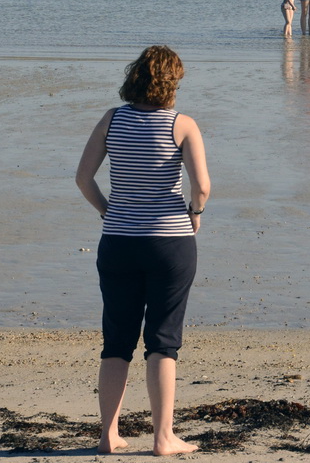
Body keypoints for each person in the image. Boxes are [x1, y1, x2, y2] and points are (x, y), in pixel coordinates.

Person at [75, 45, 210, 457]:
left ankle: (108, 436)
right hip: (170, 243)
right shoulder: (182, 124)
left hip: (118, 242)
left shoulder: (111, 120)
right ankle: (163, 438)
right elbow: (202, 187)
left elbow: (83, 178)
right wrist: (195, 212)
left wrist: (107, 211)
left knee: (116, 340)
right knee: (162, 341)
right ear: (172, 83)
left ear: (134, 78)